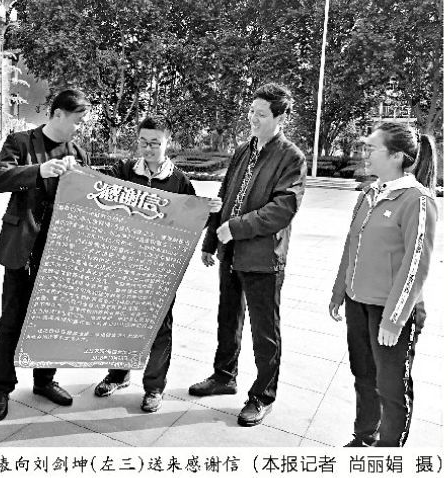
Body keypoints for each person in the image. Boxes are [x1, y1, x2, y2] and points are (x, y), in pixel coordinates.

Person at [189, 83, 307, 427]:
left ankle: (262, 396)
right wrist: (211, 241)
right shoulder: (243, 150)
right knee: (228, 318)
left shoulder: (291, 157)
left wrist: (236, 228)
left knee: (264, 331)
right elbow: (225, 195)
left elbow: (282, 209)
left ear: (280, 118)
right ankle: (224, 376)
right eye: (252, 111)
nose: (253, 119)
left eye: (261, 114)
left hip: (263, 258)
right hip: (230, 252)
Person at [91, 116, 222, 413]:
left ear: (167, 143)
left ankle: (154, 387)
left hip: (159, 267)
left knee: (160, 326)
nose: (148, 148)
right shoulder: (124, 171)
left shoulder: (179, 182)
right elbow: (97, 189)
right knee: (121, 321)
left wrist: (208, 211)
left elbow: (190, 221)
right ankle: (118, 375)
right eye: (143, 142)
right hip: (124, 262)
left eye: (155, 143)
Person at [329, 122, 438, 447]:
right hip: (358, 304)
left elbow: (416, 264)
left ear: (396, 156)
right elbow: (352, 244)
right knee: (363, 376)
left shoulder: (417, 200)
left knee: (391, 388)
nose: (366, 154)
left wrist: (394, 318)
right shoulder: (369, 193)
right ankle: (364, 439)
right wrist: (339, 291)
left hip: (391, 311)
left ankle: (390, 454)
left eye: (373, 148)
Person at [0, 89, 90, 421]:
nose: (79, 127)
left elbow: (86, 200)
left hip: (58, 251)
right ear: (58, 114)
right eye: (77, 120)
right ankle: (2, 388)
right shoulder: (20, 142)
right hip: (21, 248)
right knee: (11, 319)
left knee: (49, 321)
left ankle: (44, 380)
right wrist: (39, 171)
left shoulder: (77, 153)